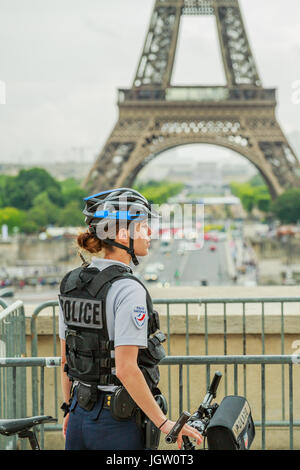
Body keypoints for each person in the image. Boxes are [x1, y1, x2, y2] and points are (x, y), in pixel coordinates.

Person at [59, 187, 203, 450]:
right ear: (122, 234)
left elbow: (66, 360)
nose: (149, 233)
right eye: (143, 226)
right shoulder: (128, 289)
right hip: (115, 422)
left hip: (79, 413)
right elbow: (126, 369)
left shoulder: (70, 283)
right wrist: (163, 422)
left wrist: (69, 409)